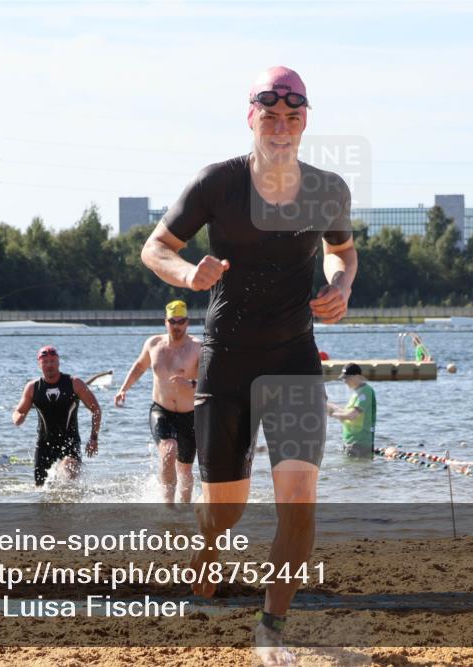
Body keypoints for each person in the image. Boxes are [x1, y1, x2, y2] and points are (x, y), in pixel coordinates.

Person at [140, 65, 357, 665]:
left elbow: (342, 250)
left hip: (294, 360)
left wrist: (341, 286)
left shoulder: (327, 189)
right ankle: (209, 546)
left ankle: (271, 628)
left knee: (298, 496)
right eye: (271, 116)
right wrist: (189, 274)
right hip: (227, 366)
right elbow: (154, 247)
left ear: (305, 121)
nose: (282, 127)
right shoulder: (218, 184)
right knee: (225, 511)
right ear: (251, 117)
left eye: (293, 117)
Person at [115, 300, 200, 506]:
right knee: (168, 449)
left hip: (190, 415)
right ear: (166, 322)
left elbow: (213, 380)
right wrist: (123, 389)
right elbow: (139, 367)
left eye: (181, 321)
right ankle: (168, 506)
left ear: (187, 322)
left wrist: (189, 382)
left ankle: (185, 510)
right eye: (173, 321)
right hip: (161, 410)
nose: (177, 326)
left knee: (185, 471)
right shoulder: (153, 344)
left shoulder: (198, 347)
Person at [12, 345, 102, 487]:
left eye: (52, 361)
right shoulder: (32, 388)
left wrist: (94, 438)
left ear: (58, 362)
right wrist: (18, 418)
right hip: (44, 444)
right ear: (39, 364)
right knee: (40, 488)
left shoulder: (74, 383)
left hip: (70, 442)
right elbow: (19, 411)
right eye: (45, 362)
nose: (49, 365)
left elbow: (96, 409)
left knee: (68, 473)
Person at [327, 363, 377, 459]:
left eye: (347, 378)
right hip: (352, 443)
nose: (345, 381)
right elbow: (345, 413)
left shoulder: (365, 391)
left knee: (358, 472)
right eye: (343, 378)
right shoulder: (357, 393)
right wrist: (327, 405)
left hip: (360, 444)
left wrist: (331, 414)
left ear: (357, 376)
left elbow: (352, 415)